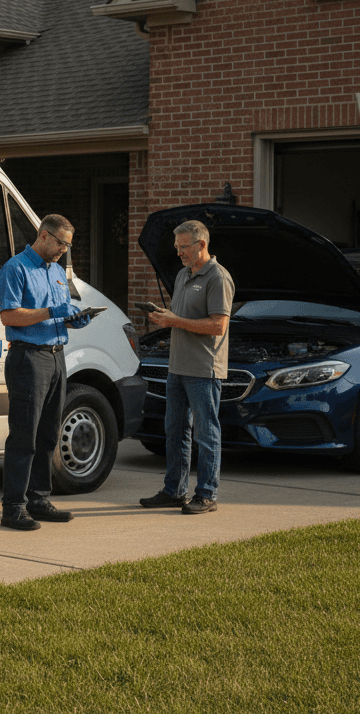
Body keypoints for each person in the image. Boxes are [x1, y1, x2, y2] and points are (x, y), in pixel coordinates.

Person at [0, 214, 94, 531]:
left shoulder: (56, 273)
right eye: (61, 243)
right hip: (29, 358)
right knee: (24, 436)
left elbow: (58, 314)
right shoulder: (16, 268)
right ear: (44, 235)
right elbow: (9, 316)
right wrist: (53, 312)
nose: (63, 250)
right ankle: (13, 508)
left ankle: (38, 500)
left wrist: (73, 319)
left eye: (68, 245)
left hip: (56, 357)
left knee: (49, 433)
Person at [141, 219, 234, 514]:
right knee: (175, 430)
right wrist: (165, 317)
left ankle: (207, 494)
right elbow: (182, 319)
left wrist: (174, 321)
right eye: (176, 247)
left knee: (206, 434)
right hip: (177, 367)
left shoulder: (218, 278)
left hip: (203, 370)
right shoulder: (183, 275)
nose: (178, 253)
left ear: (201, 245)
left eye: (183, 247)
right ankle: (174, 491)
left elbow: (218, 326)